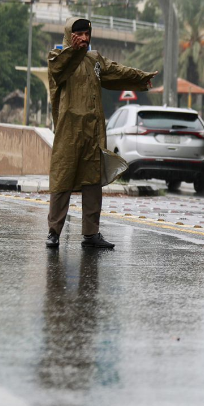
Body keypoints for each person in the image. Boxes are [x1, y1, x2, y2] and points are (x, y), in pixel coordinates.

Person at [46, 16, 158, 249]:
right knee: (62, 180)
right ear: (70, 36)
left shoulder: (94, 59)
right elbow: (58, 71)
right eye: (79, 35)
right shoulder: (59, 58)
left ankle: (91, 234)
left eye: (87, 34)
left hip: (92, 132)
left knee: (92, 183)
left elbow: (116, 71)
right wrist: (74, 50)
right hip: (69, 132)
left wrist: (141, 78)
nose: (85, 39)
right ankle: (53, 232)